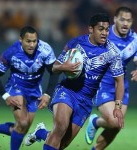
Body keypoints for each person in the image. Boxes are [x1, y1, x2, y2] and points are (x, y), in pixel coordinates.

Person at [24, 13, 125, 150]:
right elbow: (54, 67)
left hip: (86, 100)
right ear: (91, 29)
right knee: (60, 127)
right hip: (68, 91)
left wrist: (118, 107)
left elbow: (119, 81)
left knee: (62, 144)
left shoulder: (112, 53)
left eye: (107, 29)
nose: (104, 33)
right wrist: (63, 67)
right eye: (100, 29)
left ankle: (40, 132)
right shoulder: (76, 43)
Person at [0, 26, 59, 150]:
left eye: (34, 41)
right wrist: (6, 96)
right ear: (21, 39)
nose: (32, 45)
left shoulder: (45, 50)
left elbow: (54, 72)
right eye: (28, 41)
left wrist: (47, 94)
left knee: (21, 129)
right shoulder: (11, 52)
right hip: (15, 87)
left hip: (34, 91)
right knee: (23, 123)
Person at [85, 7, 137, 150]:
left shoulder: (134, 40)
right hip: (103, 83)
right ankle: (95, 122)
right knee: (113, 121)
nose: (125, 23)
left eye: (129, 20)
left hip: (121, 84)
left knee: (117, 125)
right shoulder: (104, 34)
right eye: (122, 19)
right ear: (115, 19)